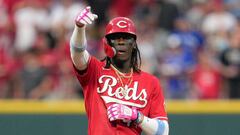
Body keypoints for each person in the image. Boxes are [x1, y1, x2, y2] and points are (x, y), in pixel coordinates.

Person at [69, 6, 169, 135]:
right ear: (107, 43)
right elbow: (77, 53)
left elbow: (163, 131)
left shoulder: (151, 82)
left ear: (134, 44)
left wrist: (136, 116)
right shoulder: (95, 70)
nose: (121, 42)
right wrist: (79, 28)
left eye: (126, 37)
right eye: (115, 38)